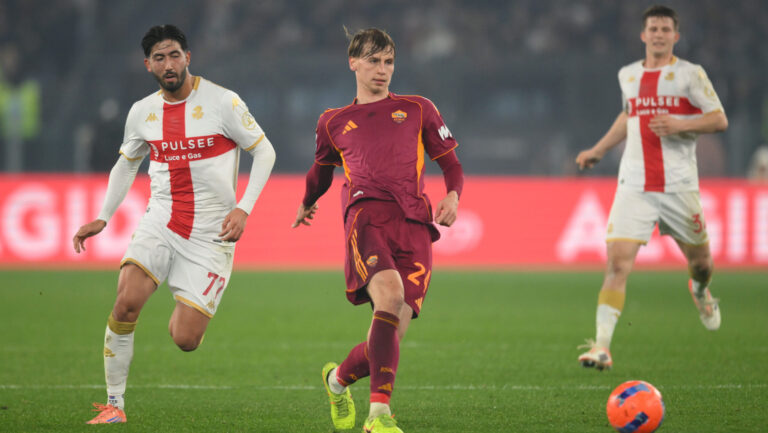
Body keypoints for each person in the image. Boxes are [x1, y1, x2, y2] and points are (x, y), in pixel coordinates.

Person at [72, 24, 276, 423]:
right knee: (126, 303)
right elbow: (126, 164)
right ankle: (115, 405)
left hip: (212, 234)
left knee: (186, 339)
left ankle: (183, 293)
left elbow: (265, 152)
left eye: (175, 55)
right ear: (148, 65)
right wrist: (103, 216)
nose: (169, 64)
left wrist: (244, 208)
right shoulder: (142, 112)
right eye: (160, 58)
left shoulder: (223, 102)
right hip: (162, 219)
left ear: (188, 57)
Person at [291, 28, 463, 433]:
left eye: (388, 61)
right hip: (366, 217)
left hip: (416, 224)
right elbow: (320, 173)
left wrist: (453, 196)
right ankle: (379, 416)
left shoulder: (419, 108)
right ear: (353, 62)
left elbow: (451, 164)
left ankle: (336, 381)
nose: (381, 70)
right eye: (372, 61)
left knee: (391, 333)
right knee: (389, 296)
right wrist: (306, 201)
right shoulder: (333, 122)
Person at [575, 5, 728, 371]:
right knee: (616, 264)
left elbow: (719, 119)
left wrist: (678, 123)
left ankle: (700, 290)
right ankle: (602, 346)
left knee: (702, 264)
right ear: (643, 35)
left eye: (665, 29)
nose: (658, 34)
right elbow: (629, 115)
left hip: (678, 187)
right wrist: (598, 149)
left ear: (675, 35)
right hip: (635, 186)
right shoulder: (628, 75)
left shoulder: (690, 75)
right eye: (653, 29)